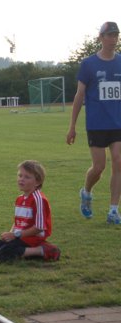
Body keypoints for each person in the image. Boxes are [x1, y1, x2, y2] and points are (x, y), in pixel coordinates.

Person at [67, 21, 121, 225]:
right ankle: (86, 192)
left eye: (116, 35)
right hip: (97, 124)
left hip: (117, 123)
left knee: (119, 162)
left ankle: (113, 210)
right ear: (101, 38)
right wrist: (72, 126)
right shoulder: (88, 64)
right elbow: (79, 95)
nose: (113, 39)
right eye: (109, 35)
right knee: (99, 167)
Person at [0, 160, 61, 262]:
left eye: (27, 177)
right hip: (19, 236)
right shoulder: (20, 199)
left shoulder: (39, 200)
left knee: (3, 254)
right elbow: (17, 223)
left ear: (37, 182)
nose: (21, 179)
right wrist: (10, 234)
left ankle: (42, 250)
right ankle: (25, 251)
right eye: (20, 176)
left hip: (32, 238)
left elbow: (39, 228)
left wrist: (15, 235)